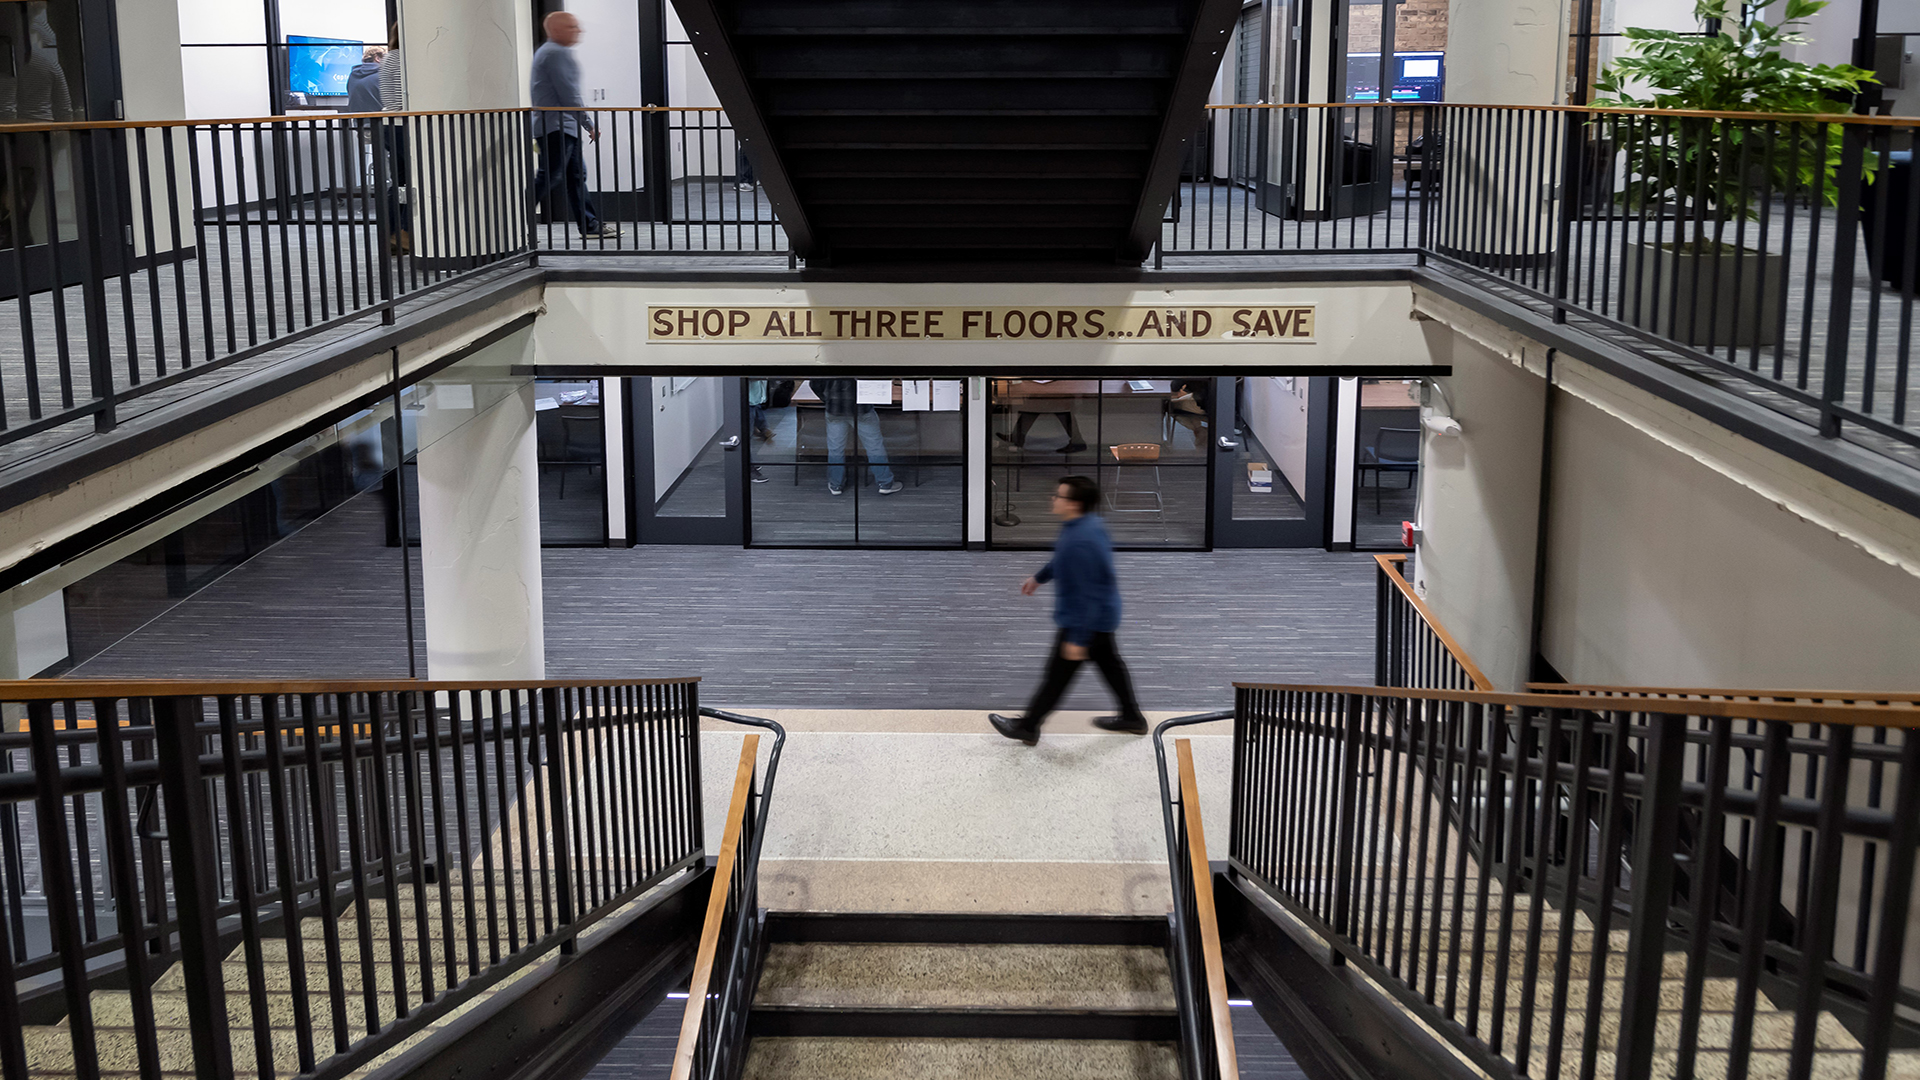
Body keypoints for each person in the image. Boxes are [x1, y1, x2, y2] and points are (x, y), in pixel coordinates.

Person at [989, 475, 1149, 743]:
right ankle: (1132, 717)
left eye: (1059, 496)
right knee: (1110, 666)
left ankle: (1028, 726)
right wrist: (1039, 578)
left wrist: (1077, 638)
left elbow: (1086, 593)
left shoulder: (1081, 540)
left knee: (1057, 675)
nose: (1054, 499)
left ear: (1074, 504)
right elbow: (1062, 559)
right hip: (1100, 615)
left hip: (1087, 620)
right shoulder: (1084, 525)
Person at [532, 12, 620, 240]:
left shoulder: (550, 52)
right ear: (556, 30)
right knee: (550, 176)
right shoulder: (557, 53)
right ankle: (512, 223)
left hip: (559, 126)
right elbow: (569, 93)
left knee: (575, 176)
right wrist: (587, 122)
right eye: (572, 27)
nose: (578, 31)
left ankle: (590, 225)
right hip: (557, 127)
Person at [808, 379, 902, 497]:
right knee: (874, 447)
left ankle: (836, 485)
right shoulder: (862, 360)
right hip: (862, 409)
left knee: (836, 448)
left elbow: (815, 383)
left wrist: (827, 399)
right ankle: (885, 483)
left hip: (835, 408)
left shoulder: (829, 362)